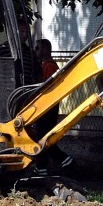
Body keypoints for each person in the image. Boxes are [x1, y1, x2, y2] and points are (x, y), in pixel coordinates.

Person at [30, 38, 73, 174]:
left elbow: (45, 87)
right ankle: (42, 167)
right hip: (46, 108)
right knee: (43, 139)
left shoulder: (50, 67)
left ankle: (66, 162)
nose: (35, 51)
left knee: (44, 139)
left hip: (47, 109)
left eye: (37, 48)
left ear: (45, 49)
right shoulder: (46, 66)